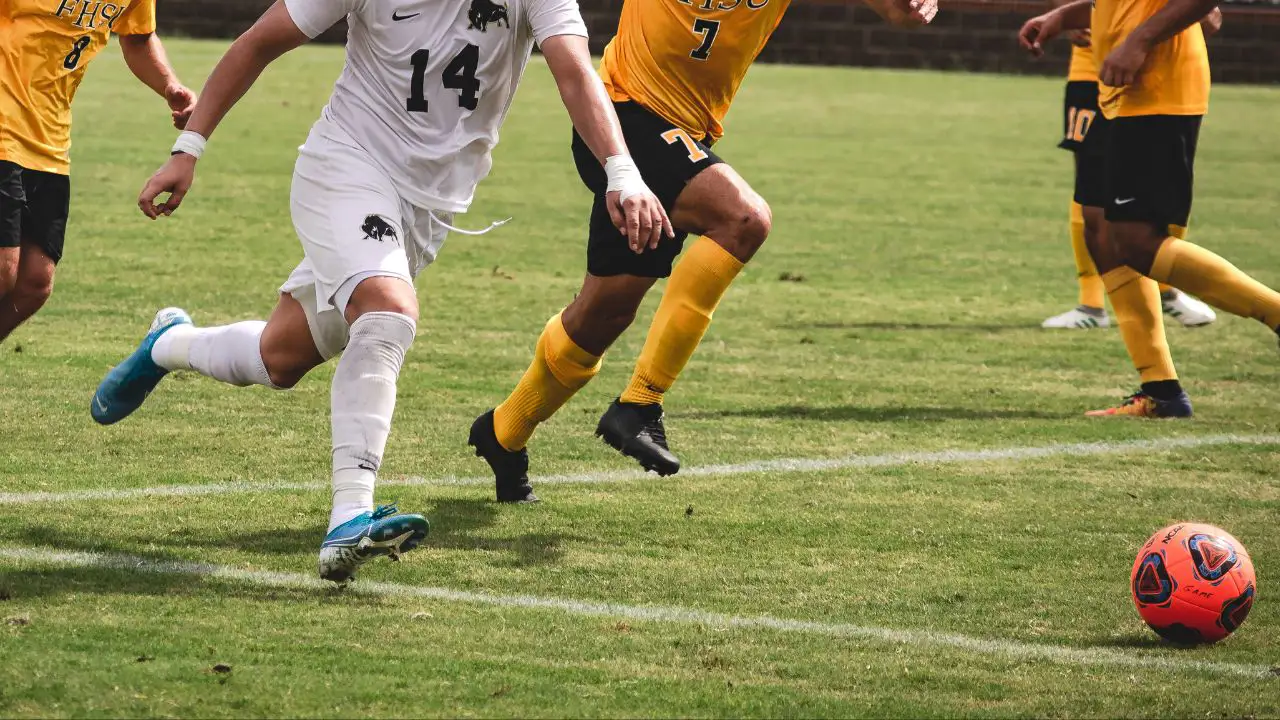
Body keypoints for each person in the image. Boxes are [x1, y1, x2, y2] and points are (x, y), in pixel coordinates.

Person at [90, 0, 670, 582]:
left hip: (427, 209)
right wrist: (187, 151)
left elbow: (574, 73)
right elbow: (258, 43)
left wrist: (622, 171)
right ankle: (350, 517)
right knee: (389, 313)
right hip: (345, 167)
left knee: (280, 357)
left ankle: (168, 343)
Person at [468, 0, 938, 502]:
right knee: (743, 219)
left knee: (602, 316)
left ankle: (503, 431)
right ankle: (640, 404)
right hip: (622, 120)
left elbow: (892, 8)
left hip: (682, 136)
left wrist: (906, 8)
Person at [1020, 0, 1280, 418]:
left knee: (1138, 241)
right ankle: (1161, 391)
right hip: (1117, 90)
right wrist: (1063, 17)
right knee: (1100, 228)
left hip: (1158, 86)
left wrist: (1137, 41)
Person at [0, 0, 195, 343]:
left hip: (48, 136)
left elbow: (137, 38)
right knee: (4, 270)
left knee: (34, 282)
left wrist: (169, 86)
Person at [1040, 22, 1217, 330]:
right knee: (1089, 186)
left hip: (1160, 75)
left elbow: (1210, 17)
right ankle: (1091, 303)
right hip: (1091, 68)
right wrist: (1069, 17)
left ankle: (1165, 288)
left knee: (1164, 188)